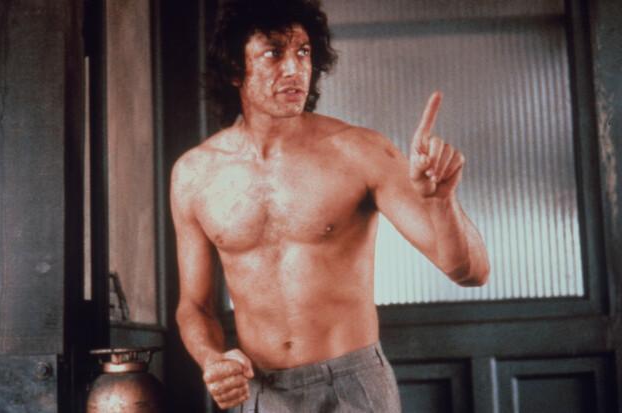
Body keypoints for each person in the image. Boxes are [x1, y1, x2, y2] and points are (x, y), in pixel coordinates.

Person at [170, 0, 490, 411]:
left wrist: (443, 203)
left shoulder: (360, 151)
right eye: (274, 53)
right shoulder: (194, 174)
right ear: (234, 69)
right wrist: (212, 359)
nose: (294, 68)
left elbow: (470, 272)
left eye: (303, 52)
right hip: (260, 391)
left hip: (352, 388)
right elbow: (195, 307)